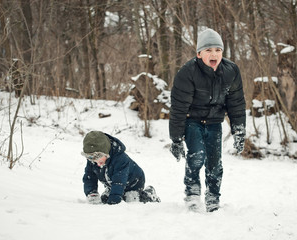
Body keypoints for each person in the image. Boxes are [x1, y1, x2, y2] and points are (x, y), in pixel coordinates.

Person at [169, 28, 246, 212]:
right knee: (197, 157)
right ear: (199, 53)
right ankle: (193, 193)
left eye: (218, 50)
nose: (214, 54)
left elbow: (236, 104)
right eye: (209, 50)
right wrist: (176, 139)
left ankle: (213, 196)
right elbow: (178, 109)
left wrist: (239, 130)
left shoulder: (230, 71)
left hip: (214, 123)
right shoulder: (187, 73)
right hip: (192, 121)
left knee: (214, 162)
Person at [82, 130, 160, 205]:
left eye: (99, 156)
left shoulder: (120, 159)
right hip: (112, 184)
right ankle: (112, 192)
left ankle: (149, 195)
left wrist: (114, 200)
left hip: (133, 183)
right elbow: (89, 177)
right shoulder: (94, 161)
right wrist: (91, 193)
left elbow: (119, 181)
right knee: (105, 199)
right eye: (91, 157)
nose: (96, 161)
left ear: (106, 152)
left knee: (130, 200)